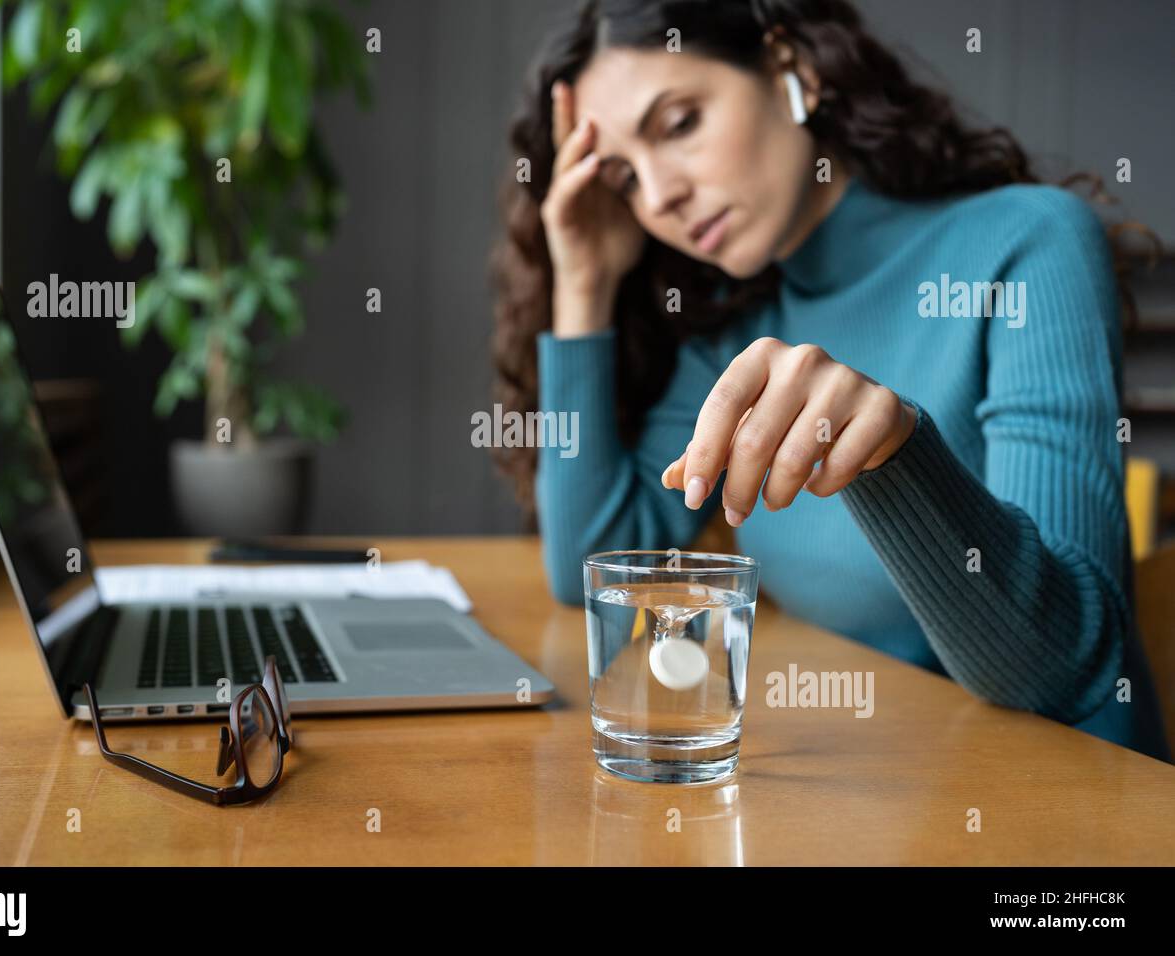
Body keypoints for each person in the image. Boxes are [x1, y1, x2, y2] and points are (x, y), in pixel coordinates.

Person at [491, 0, 1170, 762]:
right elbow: (598, 559)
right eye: (623, 179)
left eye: (678, 124)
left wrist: (894, 452)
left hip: (1069, 815)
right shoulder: (734, 333)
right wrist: (583, 284)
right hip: (871, 784)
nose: (658, 197)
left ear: (795, 69)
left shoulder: (1026, 243)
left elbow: (1060, 672)